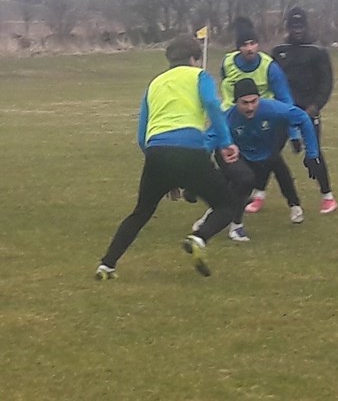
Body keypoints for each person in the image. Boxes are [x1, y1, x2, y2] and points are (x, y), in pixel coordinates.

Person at [95, 34, 241, 280]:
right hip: (190, 150)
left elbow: (142, 135)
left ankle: (106, 265)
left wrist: (163, 170)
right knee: (227, 205)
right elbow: (212, 105)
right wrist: (226, 142)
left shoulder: (154, 84)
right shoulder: (199, 76)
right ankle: (199, 238)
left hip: (157, 152)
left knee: (141, 212)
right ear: (195, 58)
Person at [198, 78, 322, 230]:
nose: (250, 107)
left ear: (259, 98)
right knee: (240, 180)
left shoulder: (273, 109)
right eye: (245, 103)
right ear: (236, 102)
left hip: (266, 151)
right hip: (240, 154)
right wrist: (198, 168)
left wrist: (312, 154)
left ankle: (294, 205)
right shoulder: (228, 118)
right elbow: (208, 142)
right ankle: (229, 221)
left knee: (281, 172)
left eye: (253, 101)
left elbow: (302, 118)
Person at [219, 17, 302, 216]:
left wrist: (293, 132)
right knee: (236, 163)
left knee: (272, 159)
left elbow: (285, 99)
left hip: (269, 122)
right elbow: (227, 93)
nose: (249, 48)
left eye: (253, 43)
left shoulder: (269, 66)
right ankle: (224, 205)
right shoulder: (227, 64)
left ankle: (294, 205)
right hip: (239, 121)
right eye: (245, 44)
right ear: (238, 47)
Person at [272, 7, 338, 214]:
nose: (297, 30)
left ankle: (327, 196)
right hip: (283, 111)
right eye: (294, 26)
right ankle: (258, 194)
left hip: (308, 111)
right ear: (288, 27)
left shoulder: (317, 51)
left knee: (313, 155)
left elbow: (326, 83)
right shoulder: (279, 51)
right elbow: (272, 79)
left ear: (306, 26)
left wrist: (315, 106)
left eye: (300, 26)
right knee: (269, 152)